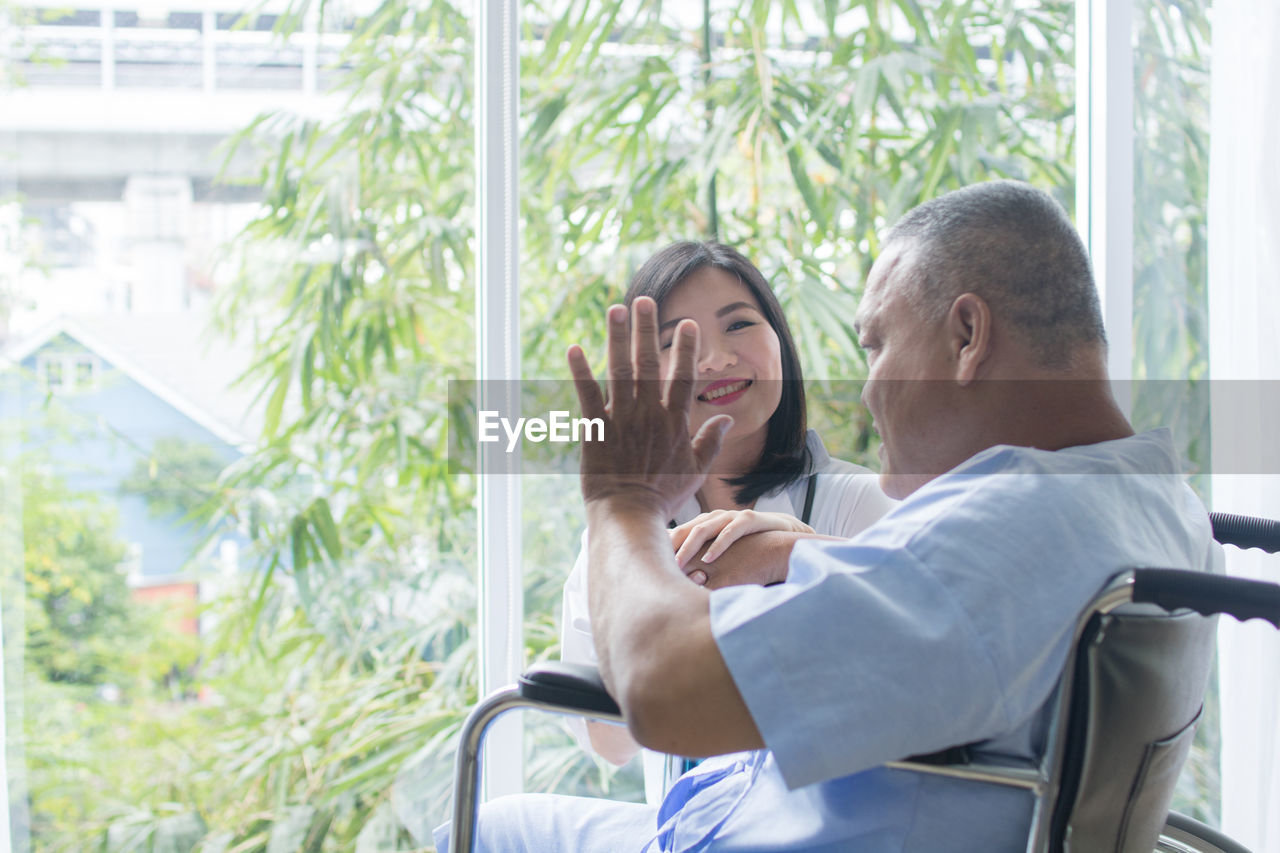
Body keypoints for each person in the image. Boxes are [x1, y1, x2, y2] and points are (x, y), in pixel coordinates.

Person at [435, 180, 1220, 852]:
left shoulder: (1006, 531)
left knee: (489, 825)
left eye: (876, 344)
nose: (871, 389)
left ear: (967, 335)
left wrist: (620, 499)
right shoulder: (1149, 503)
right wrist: (810, 557)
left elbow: (660, 691)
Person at [559, 241, 896, 801]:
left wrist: (798, 554)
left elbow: (928, 621)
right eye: (675, 342)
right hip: (686, 823)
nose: (714, 359)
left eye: (738, 325)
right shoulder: (622, 533)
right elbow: (608, 739)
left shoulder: (862, 501)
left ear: (780, 343)